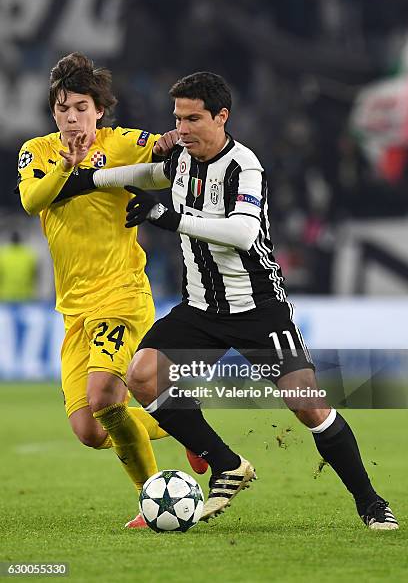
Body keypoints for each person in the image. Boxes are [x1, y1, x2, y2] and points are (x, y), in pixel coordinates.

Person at [89, 71, 399, 529]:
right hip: (200, 309)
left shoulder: (243, 165)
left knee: (307, 404)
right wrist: (89, 179)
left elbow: (243, 231)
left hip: (258, 310)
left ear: (221, 116)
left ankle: (371, 503)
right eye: (178, 118)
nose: (183, 128)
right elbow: (145, 173)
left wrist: (171, 219)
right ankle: (227, 464)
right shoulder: (181, 158)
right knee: (143, 374)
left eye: (193, 118)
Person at [16, 51, 198, 530]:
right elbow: (33, 200)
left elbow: (160, 153)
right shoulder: (36, 152)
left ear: (99, 109)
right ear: (53, 112)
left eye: (81, 107)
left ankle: (150, 498)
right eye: (63, 108)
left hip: (120, 295)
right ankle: (186, 425)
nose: (72, 117)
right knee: (90, 430)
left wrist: (169, 144)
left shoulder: (119, 143)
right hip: (73, 310)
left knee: (104, 398)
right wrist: (68, 166)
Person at [0, 231, 37, 301]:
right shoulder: (29, 256)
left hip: (6, 296)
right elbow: (34, 275)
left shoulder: (3, 255)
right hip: (25, 296)